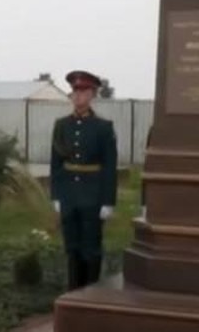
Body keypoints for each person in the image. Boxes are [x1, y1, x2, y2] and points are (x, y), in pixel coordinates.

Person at [50, 70, 118, 290]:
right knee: (72, 247)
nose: (78, 95)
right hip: (69, 195)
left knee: (91, 247)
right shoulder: (62, 125)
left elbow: (109, 166)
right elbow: (56, 163)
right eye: (75, 91)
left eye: (83, 91)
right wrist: (56, 195)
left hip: (93, 195)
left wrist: (108, 201)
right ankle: (73, 292)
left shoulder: (103, 127)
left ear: (92, 95)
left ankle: (91, 293)